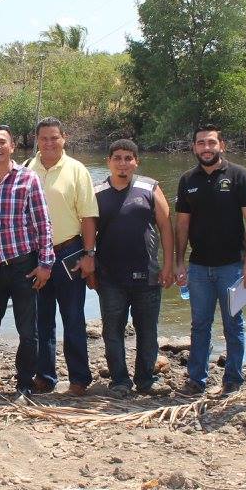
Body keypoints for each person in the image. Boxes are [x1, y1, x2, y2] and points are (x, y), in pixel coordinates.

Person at [0, 125, 54, 399]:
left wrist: (46, 263)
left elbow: (43, 223)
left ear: (12, 146)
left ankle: (24, 383)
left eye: (2, 142)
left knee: (28, 331)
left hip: (23, 266)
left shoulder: (28, 179)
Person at [173, 124, 246, 397]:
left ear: (222, 145)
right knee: (200, 325)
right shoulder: (188, 180)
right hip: (198, 267)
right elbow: (182, 225)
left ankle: (233, 379)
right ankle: (197, 379)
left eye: (211, 142)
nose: (206, 148)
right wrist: (179, 262)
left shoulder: (239, 176)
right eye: (201, 143)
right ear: (194, 148)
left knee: (234, 323)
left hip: (233, 266)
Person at [92, 139, 174, 397]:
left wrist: (169, 265)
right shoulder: (96, 192)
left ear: (136, 161)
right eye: (117, 157)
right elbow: (88, 234)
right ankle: (119, 380)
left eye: (128, 158)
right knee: (112, 331)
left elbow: (166, 227)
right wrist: (91, 269)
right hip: (110, 278)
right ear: (109, 161)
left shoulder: (150, 187)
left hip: (147, 275)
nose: (123, 163)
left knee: (148, 331)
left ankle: (146, 380)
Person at [26, 118, 99, 396]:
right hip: (36, 254)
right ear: (37, 139)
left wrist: (90, 254)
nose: (49, 143)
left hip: (69, 251)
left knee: (73, 317)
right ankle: (45, 376)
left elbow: (89, 215)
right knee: (40, 318)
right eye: (44, 138)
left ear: (64, 138)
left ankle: (79, 379)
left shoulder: (77, 170)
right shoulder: (26, 169)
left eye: (54, 138)